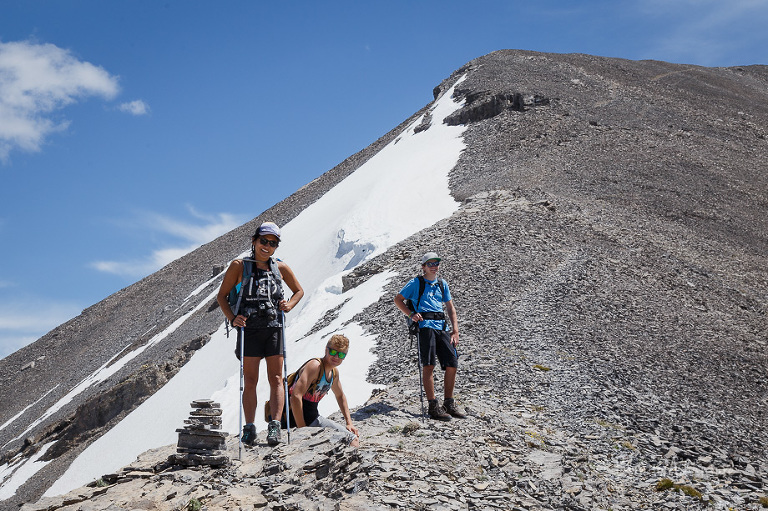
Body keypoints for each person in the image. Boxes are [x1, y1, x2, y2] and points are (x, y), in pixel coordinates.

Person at [217, 221, 304, 446]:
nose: (267, 246)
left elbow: (298, 291)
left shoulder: (280, 267)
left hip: (274, 328)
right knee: (251, 380)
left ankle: (274, 426)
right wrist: (232, 318)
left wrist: (290, 305)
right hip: (249, 330)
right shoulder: (239, 265)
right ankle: (249, 427)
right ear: (254, 241)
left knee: (276, 378)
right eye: (264, 241)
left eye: (272, 243)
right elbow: (222, 296)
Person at [394, 252, 466, 421]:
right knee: (429, 365)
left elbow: (450, 308)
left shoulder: (442, 284)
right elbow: (398, 300)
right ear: (423, 267)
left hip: (442, 327)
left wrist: (455, 331)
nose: (434, 266)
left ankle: (448, 403)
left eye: (436, 263)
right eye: (430, 263)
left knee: (452, 363)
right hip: (425, 327)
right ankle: (433, 406)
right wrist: (411, 314)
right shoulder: (416, 283)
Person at [273, 334, 360, 447]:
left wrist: (349, 422)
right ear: (326, 349)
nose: (336, 357)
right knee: (349, 440)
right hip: (293, 422)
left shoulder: (334, 373)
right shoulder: (315, 366)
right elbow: (295, 396)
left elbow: (340, 396)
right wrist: (302, 429)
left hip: (313, 419)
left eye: (341, 354)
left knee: (352, 440)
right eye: (333, 352)